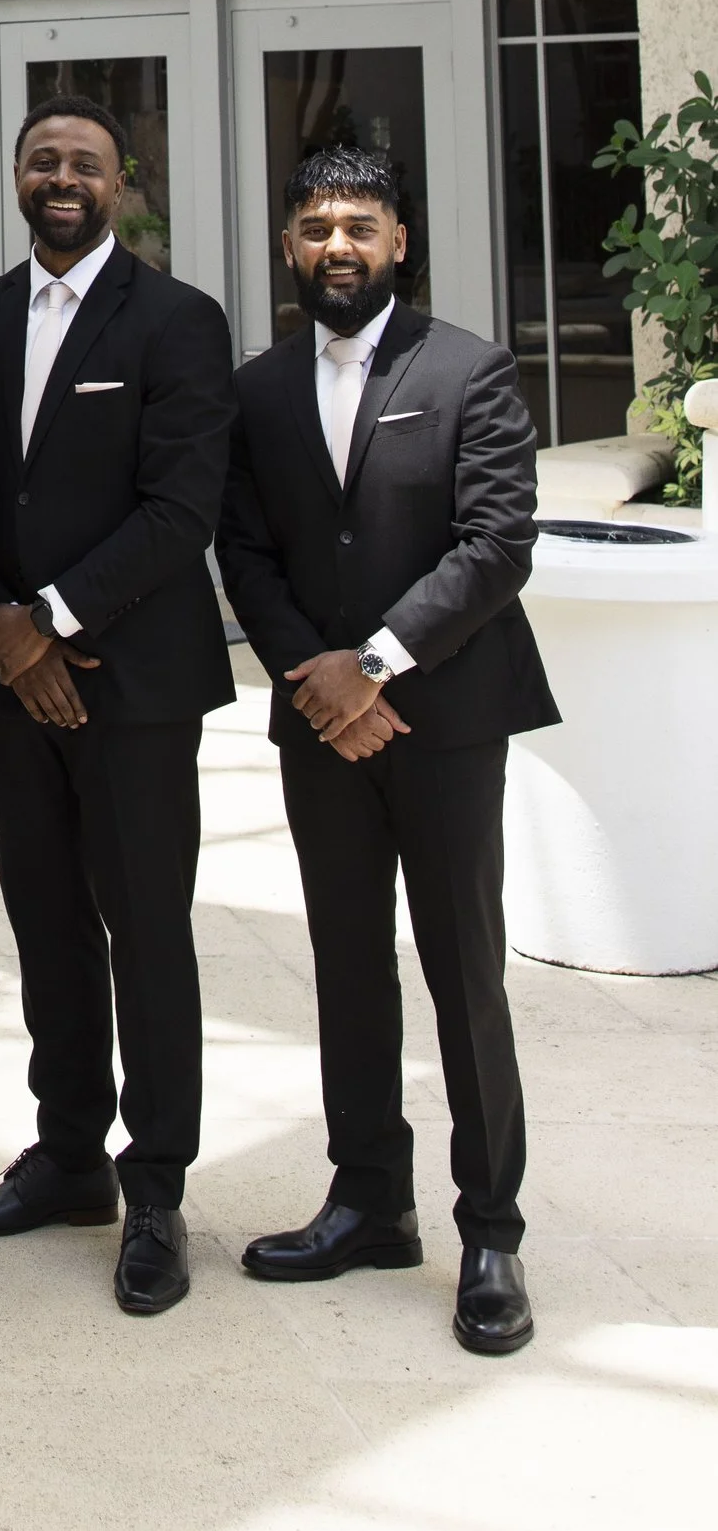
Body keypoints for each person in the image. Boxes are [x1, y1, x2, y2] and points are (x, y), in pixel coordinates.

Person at [218, 143, 555, 1358]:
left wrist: (375, 662)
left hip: (444, 720)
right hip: (321, 724)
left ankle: (491, 1228)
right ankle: (367, 1200)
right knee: (346, 962)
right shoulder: (256, 390)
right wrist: (314, 670)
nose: (336, 247)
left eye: (358, 225)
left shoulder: (469, 369)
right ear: (291, 247)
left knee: (461, 970)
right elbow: (242, 548)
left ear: (399, 241)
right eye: (314, 227)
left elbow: (496, 540)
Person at [0, 100, 236, 1318]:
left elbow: (180, 509)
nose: (61, 178)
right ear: (16, 177)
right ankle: (67, 1158)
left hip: (134, 686)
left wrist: (47, 618)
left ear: (122, 183)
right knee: (45, 919)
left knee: (146, 929)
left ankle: (156, 1181)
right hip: (18, 685)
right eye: (42, 160)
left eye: (85, 164)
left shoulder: (177, 321)